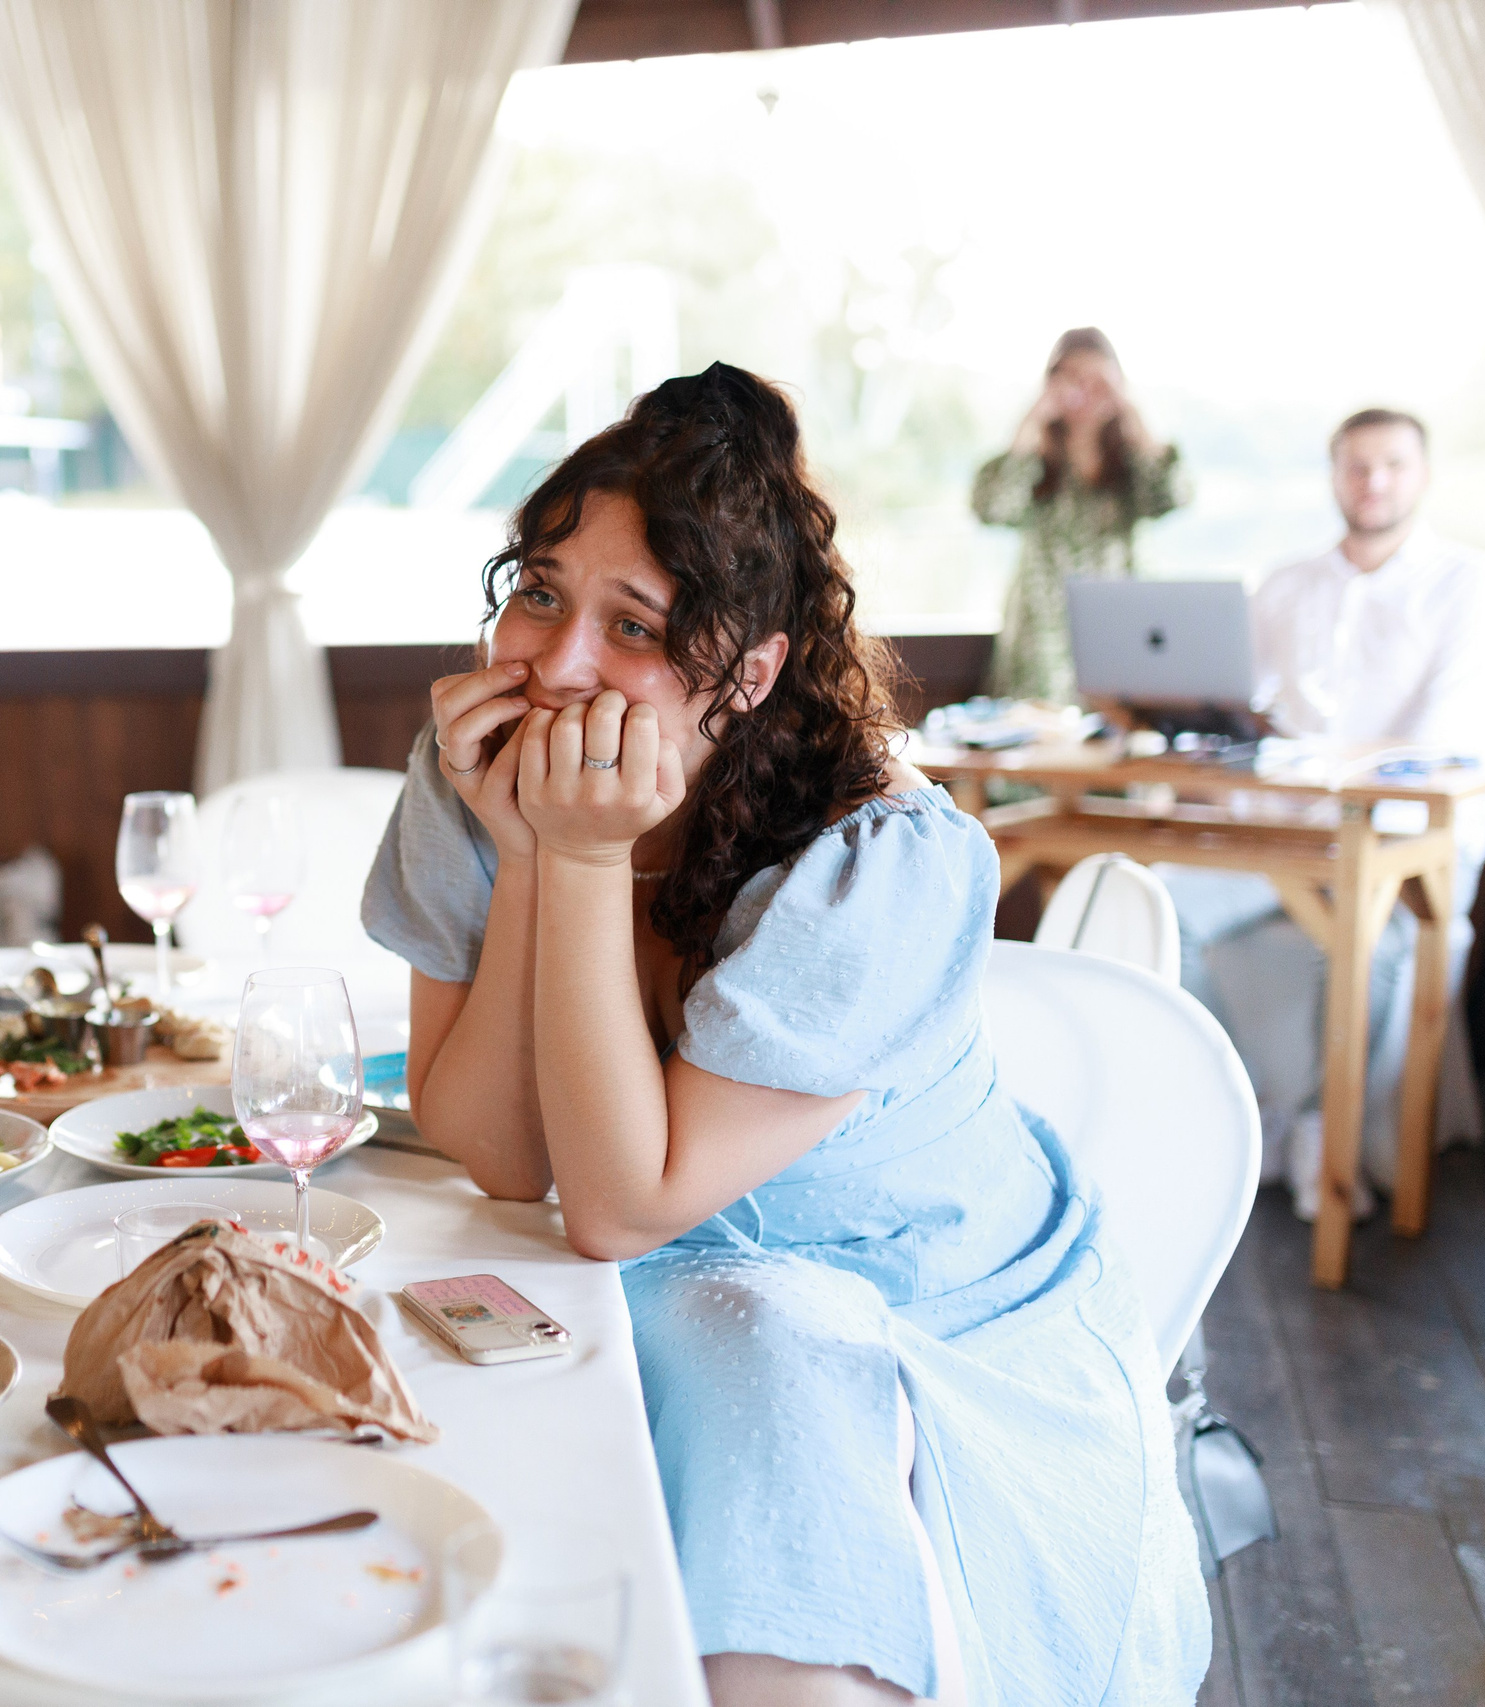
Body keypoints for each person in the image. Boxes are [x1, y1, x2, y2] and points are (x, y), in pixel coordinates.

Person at [363, 364, 1205, 1704]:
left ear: (749, 673)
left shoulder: (880, 862)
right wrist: (524, 852)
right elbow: (504, 1157)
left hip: (920, 1308)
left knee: (755, 1366)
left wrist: (578, 858)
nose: (557, 662)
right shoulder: (485, 774)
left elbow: (618, 1203)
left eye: (633, 624)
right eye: (539, 592)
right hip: (664, 1277)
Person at [1163, 409, 1485, 1219]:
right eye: (1356, 465)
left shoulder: (1474, 582)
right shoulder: (1285, 583)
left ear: (1422, 475)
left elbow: (1442, 733)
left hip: (1398, 840)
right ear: (1333, 475)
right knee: (1158, 907)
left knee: (1375, 941)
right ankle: (1235, 1105)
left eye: (1392, 464)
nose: (1373, 481)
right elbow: (1237, 698)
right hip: (1277, 837)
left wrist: (1316, 770)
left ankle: (1319, 1130)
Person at [973, 328, 1188, 704]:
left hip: (1119, 631)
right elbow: (990, 507)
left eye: (1098, 381)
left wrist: (1130, 411)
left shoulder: (1130, 465)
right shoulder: (1035, 463)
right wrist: (1035, 418)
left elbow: (1173, 496)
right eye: (1072, 379)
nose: (1086, 392)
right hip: (1039, 645)